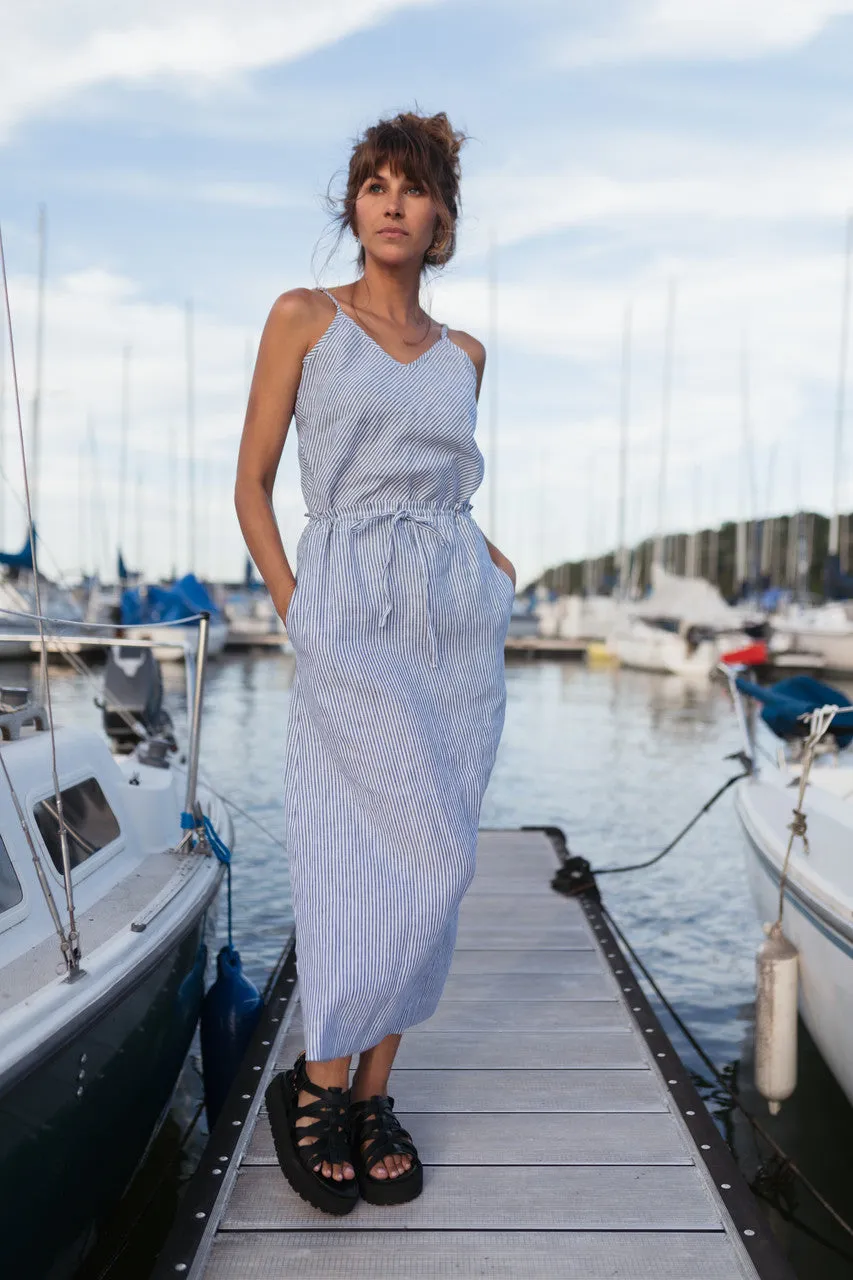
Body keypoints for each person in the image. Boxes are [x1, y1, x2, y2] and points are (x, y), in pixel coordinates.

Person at [234, 110, 516, 1216]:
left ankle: (372, 1090)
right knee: (357, 851)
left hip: (451, 619)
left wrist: (490, 564)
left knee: (437, 864)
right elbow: (253, 484)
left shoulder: (467, 356)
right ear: (353, 207)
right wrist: (300, 609)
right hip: (347, 607)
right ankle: (315, 1079)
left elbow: (444, 486)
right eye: (373, 185)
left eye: (413, 186)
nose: (392, 201)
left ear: (441, 214)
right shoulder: (304, 319)